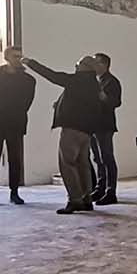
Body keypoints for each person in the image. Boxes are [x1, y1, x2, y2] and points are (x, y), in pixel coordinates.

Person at [24, 54, 103, 214]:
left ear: (85, 67)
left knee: (67, 164)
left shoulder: (77, 80)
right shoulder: (94, 84)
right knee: (82, 164)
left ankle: (74, 200)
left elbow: (52, 76)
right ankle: (86, 199)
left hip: (72, 129)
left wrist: (31, 63)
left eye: (78, 63)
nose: (76, 65)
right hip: (87, 131)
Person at [0, 45, 36, 207]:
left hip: (15, 121)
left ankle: (14, 193)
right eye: (15, 56)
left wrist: (16, 113)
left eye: (20, 56)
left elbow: (27, 102)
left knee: (15, 159)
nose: (18, 59)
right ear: (7, 58)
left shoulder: (28, 80)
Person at [89, 52, 122, 205]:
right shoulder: (94, 80)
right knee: (97, 158)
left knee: (107, 157)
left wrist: (104, 98)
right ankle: (100, 188)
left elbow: (116, 102)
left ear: (104, 65)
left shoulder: (112, 81)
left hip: (104, 125)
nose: (93, 66)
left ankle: (111, 191)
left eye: (96, 62)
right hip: (93, 125)